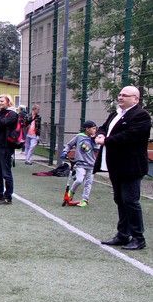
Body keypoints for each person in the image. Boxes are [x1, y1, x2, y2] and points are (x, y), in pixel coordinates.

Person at [95, 86, 152, 250]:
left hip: (131, 166)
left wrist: (106, 141)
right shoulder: (116, 114)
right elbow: (104, 127)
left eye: (125, 95)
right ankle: (123, 235)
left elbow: (130, 136)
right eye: (120, 94)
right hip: (116, 165)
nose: (120, 97)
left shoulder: (141, 115)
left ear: (135, 99)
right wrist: (100, 134)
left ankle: (138, 238)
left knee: (130, 201)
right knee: (120, 200)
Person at [61, 120, 100, 207]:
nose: (95, 130)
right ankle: (71, 192)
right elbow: (69, 145)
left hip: (91, 165)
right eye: (93, 128)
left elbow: (97, 149)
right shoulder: (79, 136)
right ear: (87, 129)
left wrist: (94, 140)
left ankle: (85, 200)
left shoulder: (95, 138)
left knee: (88, 183)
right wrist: (65, 151)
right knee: (79, 180)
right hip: (80, 164)